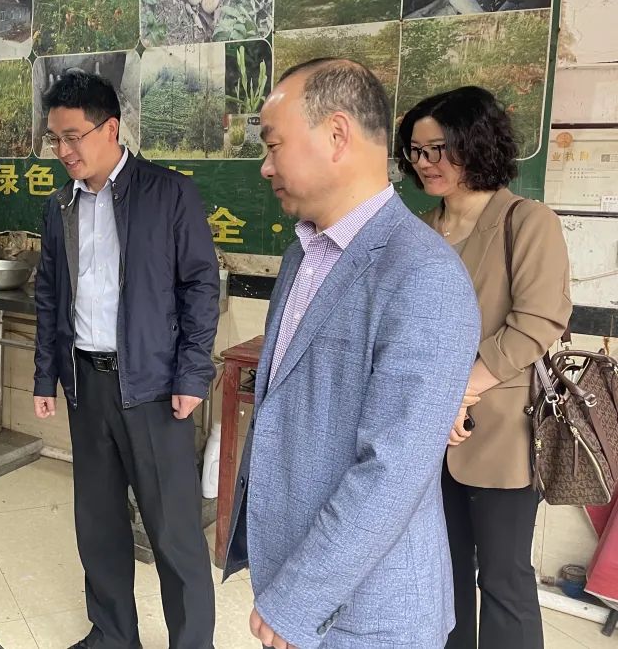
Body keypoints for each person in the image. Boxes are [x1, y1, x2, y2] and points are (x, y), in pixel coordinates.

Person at [223, 59, 481, 649]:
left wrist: (299, 598)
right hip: (301, 577)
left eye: (274, 145)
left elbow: (393, 472)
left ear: (337, 134)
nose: (265, 166)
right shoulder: (305, 252)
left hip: (369, 612)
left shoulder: (423, 275)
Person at [33, 69, 220, 649]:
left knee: (173, 531)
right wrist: (45, 374)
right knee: (98, 523)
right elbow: (49, 294)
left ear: (110, 128)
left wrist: (193, 373)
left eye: (73, 137)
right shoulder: (60, 205)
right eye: (55, 139)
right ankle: (113, 634)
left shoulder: (168, 194)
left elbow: (200, 286)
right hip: (86, 384)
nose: (63, 151)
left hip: (153, 388)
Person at [396, 86, 572, 649]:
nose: (426, 163)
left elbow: (537, 322)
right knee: (440, 576)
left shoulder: (527, 221)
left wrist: (456, 394)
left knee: (502, 578)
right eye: (416, 151)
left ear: (476, 143)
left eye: (439, 149)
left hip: (501, 436)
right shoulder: (417, 230)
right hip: (424, 435)